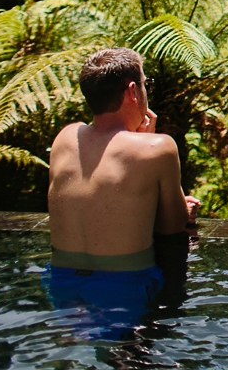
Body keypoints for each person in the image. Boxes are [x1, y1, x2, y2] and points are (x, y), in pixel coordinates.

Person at [43, 47, 201, 339]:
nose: (145, 90)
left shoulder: (65, 137)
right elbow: (174, 226)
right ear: (132, 91)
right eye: (145, 84)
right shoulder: (157, 148)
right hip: (124, 287)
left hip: (63, 283)